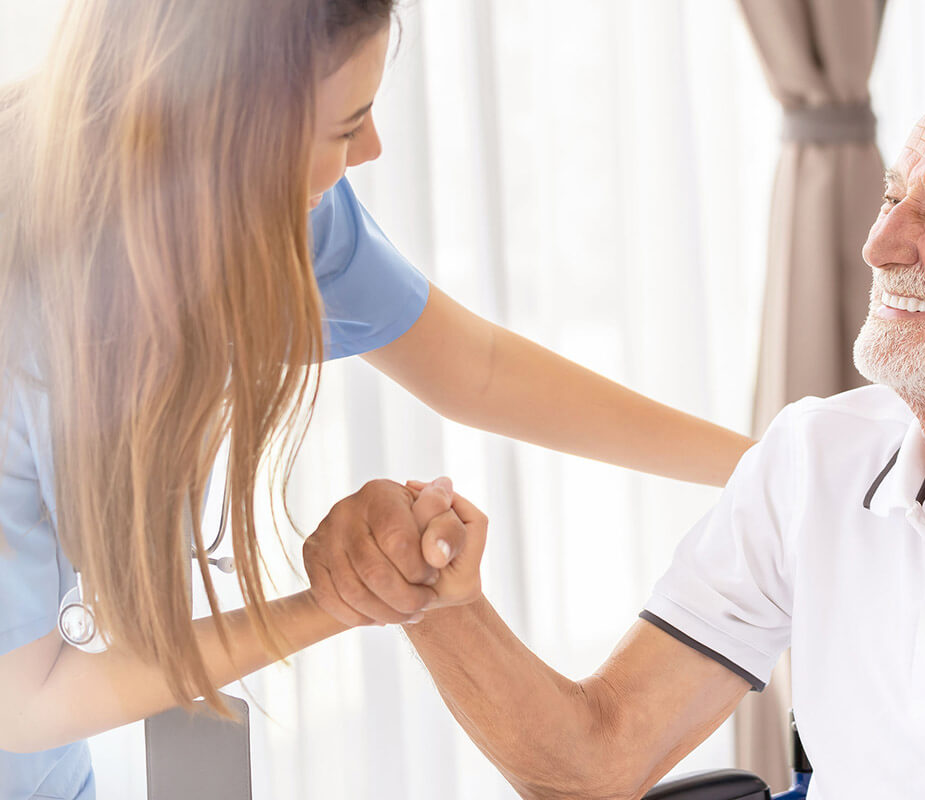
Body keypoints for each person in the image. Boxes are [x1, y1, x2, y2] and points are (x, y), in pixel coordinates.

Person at [306, 48, 925, 798]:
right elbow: (596, 758)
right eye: (894, 199)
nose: (879, 245)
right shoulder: (814, 456)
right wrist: (436, 602)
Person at [0, 1, 753, 797]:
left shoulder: (276, 209)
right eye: (347, 124)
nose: (374, 148)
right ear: (229, 129)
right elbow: (26, 702)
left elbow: (479, 369)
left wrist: (779, 462)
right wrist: (344, 597)